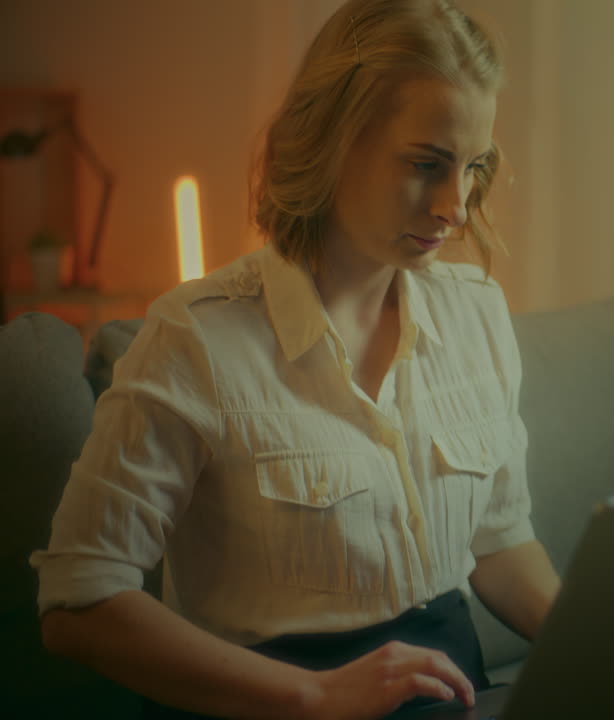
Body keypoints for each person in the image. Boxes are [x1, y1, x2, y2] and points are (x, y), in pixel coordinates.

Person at [30, 1, 562, 717]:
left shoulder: (478, 314)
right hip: (284, 700)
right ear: (336, 138)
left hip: (453, 694)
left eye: (472, 168)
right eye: (426, 165)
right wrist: (315, 694)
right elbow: (77, 601)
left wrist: (607, 651)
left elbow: (501, 543)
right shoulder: (197, 339)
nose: (455, 206)